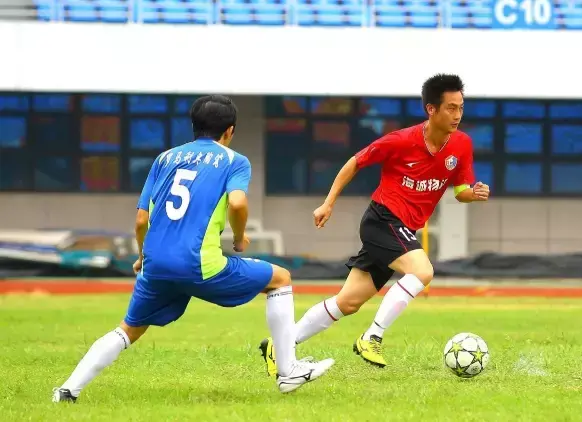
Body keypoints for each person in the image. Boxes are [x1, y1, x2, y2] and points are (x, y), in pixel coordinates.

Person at [52, 95, 334, 403]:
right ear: (230, 130)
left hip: (156, 265)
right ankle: (288, 371)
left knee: (128, 329)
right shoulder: (234, 161)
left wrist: (142, 256)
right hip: (198, 264)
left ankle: (68, 389)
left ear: (194, 125)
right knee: (280, 279)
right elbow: (238, 202)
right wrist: (240, 238)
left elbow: (141, 219)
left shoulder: (164, 159)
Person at [259, 74, 490, 375]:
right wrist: (328, 203)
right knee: (423, 271)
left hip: (401, 230)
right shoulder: (400, 140)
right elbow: (354, 162)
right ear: (431, 109)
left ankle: (279, 345)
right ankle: (372, 337)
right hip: (383, 220)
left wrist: (474, 194)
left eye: (460, 107)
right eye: (450, 107)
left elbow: (460, 191)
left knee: (347, 303)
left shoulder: (461, 144)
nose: (457, 115)